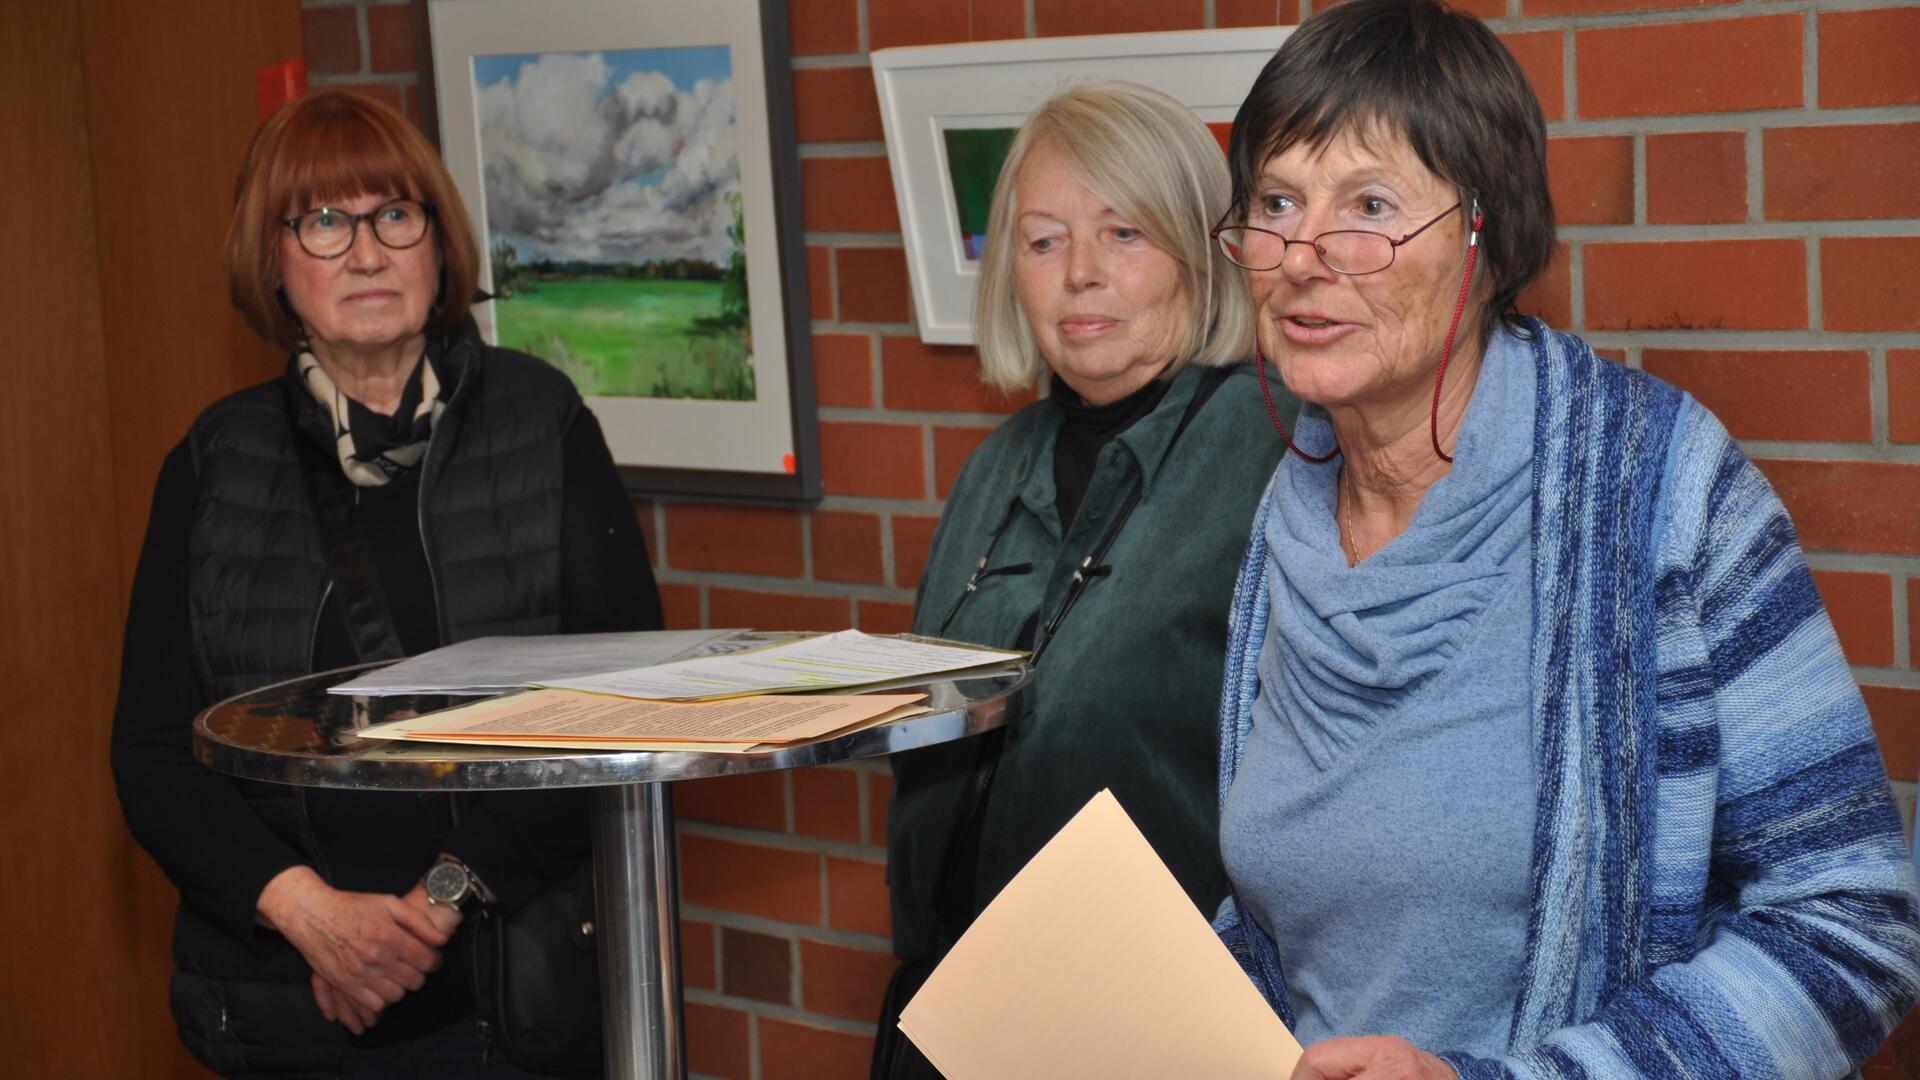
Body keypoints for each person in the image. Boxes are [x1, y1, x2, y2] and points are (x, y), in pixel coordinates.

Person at [1207, 2, 1920, 1077]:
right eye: (1275, 202)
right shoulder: (1292, 506)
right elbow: (1290, 917)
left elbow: (1853, 923)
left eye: (1368, 204)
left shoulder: (1662, 491)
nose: (1304, 254)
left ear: (1486, 241)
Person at [110, 90, 662, 1076]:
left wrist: (439, 900)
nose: (365, 252)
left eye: (394, 216)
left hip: (507, 1009)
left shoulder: (543, 421)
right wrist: (309, 913)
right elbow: (154, 753)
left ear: (438, 244)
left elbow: (622, 707)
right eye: (323, 222)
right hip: (277, 1009)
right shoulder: (213, 462)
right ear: (273, 263)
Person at [874, 82, 1300, 1079]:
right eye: (1043, 241)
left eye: (1123, 233)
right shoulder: (996, 464)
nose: (1081, 277)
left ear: (1202, 251)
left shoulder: (1272, 446)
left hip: (1158, 1023)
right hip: (953, 1006)